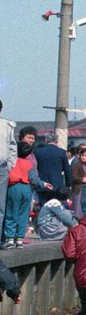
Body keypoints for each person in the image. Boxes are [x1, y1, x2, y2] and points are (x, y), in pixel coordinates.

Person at [4, 141, 44, 247]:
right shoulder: (29, 164)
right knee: (24, 214)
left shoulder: (11, 162)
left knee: (11, 213)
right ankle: (19, 239)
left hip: (13, 187)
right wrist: (43, 184)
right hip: (27, 188)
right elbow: (34, 179)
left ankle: (10, 239)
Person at [31, 131, 71, 205]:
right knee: (57, 206)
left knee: (43, 207)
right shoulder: (61, 152)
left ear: (46, 140)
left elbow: (34, 167)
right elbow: (67, 170)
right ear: (57, 140)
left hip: (42, 184)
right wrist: (68, 184)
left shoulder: (38, 151)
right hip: (57, 185)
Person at [0, 100, 14, 233]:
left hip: (2, 168)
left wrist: (10, 165)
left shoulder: (6, 125)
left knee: (1, 207)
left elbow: (12, 146)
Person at [69, 145, 86, 217]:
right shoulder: (77, 165)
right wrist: (82, 179)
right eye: (82, 155)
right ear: (79, 156)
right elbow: (73, 177)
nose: (84, 157)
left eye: (85, 155)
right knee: (77, 207)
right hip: (78, 189)